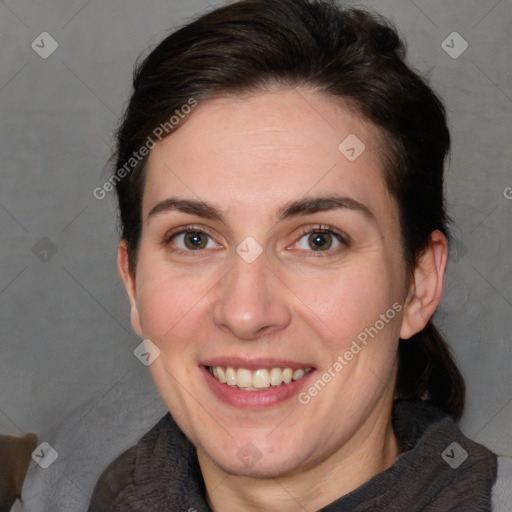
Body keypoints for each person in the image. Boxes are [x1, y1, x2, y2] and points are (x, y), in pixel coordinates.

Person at [87, 0, 511, 510]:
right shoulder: (63, 490)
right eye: (195, 239)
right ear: (132, 281)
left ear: (418, 284)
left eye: (318, 240)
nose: (246, 312)